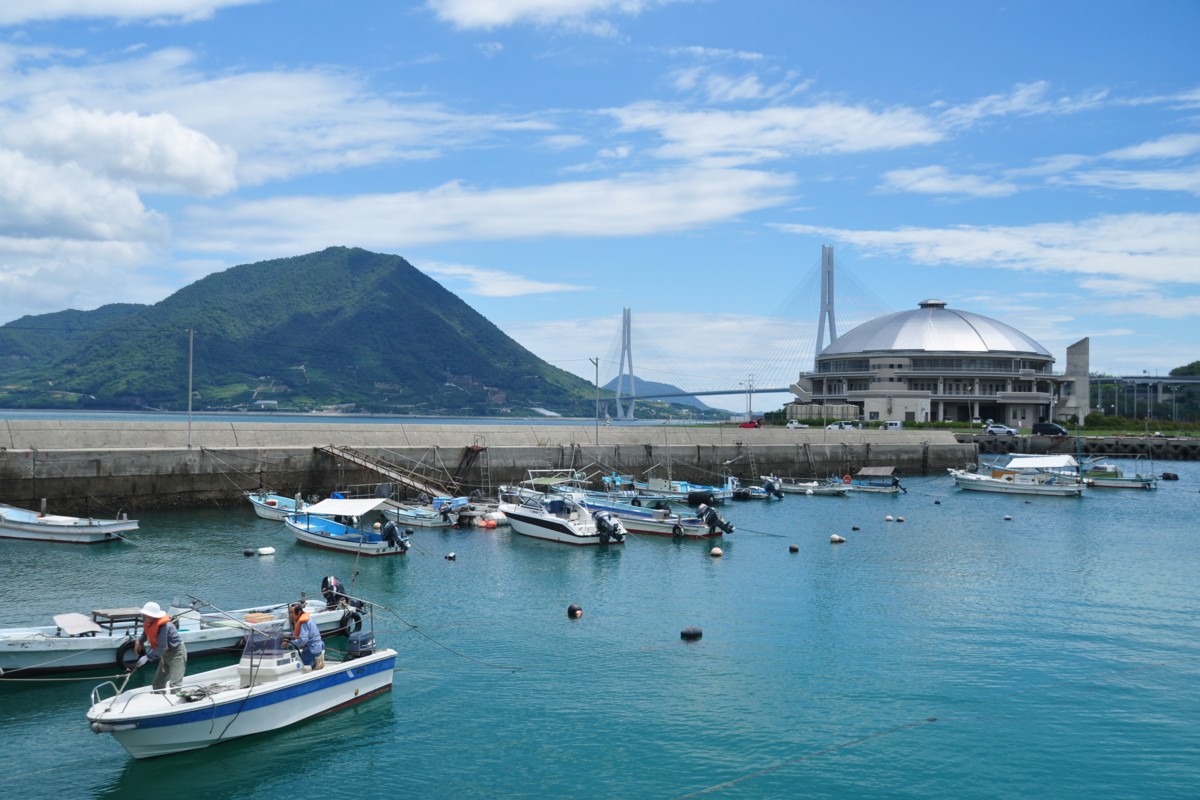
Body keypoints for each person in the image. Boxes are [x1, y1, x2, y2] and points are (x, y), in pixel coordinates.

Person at [134, 601, 187, 690]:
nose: (143, 617)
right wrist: (139, 641)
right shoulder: (149, 623)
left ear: (153, 616)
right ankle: (159, 700)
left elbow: (162, 647)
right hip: (164, 655)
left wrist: (147, 657)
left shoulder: (164, 627)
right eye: (143, 615)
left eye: (146, 615)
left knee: (175, 684)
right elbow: (146, 633)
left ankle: (175, 702)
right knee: (157, 683)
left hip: (176, 653)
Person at [286, 602, 325, 671]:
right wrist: (289, 635)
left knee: (298, 665)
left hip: (312, 649)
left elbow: (303, 640)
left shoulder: (304, 623)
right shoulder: (308, 618)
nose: (290, 615)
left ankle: (315, 663)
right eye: (290, 613)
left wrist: (288, 644)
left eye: (292, 613)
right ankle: (316, 661)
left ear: (299, 612)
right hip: (319, 646)